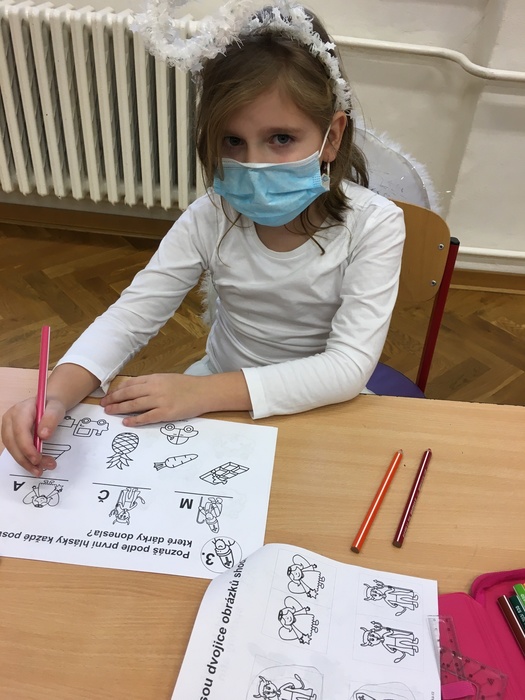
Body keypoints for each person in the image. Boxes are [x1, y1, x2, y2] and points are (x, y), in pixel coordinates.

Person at [1, 1, 405, 476]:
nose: (254, 164)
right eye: (233, 141)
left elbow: (345, 367)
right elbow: (133, 314)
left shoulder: (376, 225)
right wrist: (55, 394)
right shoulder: (210, 216)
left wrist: (201, 392)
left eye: (281, 138)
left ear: (331, 137)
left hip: (316, 403)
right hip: (214, 391)